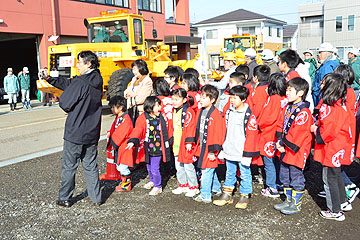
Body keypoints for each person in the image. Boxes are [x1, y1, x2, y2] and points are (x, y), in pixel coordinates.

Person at [45, 50, 103, 207]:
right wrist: (50, 79)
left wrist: (62, 98)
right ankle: (96, 198)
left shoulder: (81, 82)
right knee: (91, 166)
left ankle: (65, 197)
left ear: (88, 64)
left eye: (79, 62)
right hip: (92, 131)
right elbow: (70, 84)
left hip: (76, 131)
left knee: (69, 166)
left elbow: (65, 103)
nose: (77, 65)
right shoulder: (97, 79)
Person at [312, 74, 354, 221]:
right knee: (336, 176)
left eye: (324, 83)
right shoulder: (339, 104)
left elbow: (328, 131)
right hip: (339, 144)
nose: (321, 86)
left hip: (331, 147)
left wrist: (315, 130)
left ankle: (334, 210)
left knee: (329, 179)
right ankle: (342, 202)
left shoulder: (328, 107)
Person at [213, 86, 260, 209]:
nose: (232, 100)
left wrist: (248, 154)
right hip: (229, 149)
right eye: (231, 98)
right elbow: (225, 130)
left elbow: (251, 135)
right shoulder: (229, 112)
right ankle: (227, 194)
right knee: (230, 172)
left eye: (235, 98)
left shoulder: (249, 115)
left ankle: (244, 195)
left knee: (244, 173)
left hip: (242, 151)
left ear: (243, 99)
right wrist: (223, 147)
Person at [274, 77, 313, 215]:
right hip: (284, 147)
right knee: (284, 175)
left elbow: (299, 133)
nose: (287, 93)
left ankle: (296, 204)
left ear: (300, 93)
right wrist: (279, 140)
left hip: (296, 150)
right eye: (287, 90)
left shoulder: (304, 112)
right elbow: (280, 123)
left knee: (296, 176)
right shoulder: (288, 107)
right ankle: (288, 200)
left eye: (290, 90)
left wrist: (283, 144)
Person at [126, 96, 173, 196]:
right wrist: (133, 140)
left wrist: (170, 140)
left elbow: (169, 129)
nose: (159, 107)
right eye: (157, 105)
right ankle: (152, 181)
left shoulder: (162, 117)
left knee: (155, 168)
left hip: (158, 148)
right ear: (150, 107)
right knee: (149, 166)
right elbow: (138, 129)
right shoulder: (143, 117)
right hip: (147, 147)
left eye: (159, 105)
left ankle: (158, 186)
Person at [192, 85, 226, 203]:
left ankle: (205, 195)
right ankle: (216, 188)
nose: (201, 99)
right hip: (202, 146)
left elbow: (218, 134)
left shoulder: (216, 115)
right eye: (201, 97)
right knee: (209, 169)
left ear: (212, 100)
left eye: (204, 97)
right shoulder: (201, 111)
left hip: (209, 148)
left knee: (206, 169)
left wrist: (213, 151)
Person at [258, 73, 287, 198]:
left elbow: (267, 117)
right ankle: (279, 184)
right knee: (277, 160)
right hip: (279, 134)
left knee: (268, 161)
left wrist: (259, 124)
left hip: (268, 133)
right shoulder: (285, 98)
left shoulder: (273, 98)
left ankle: (271, 187)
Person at [170, 88, 199, 197]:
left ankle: (194, 187)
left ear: (184, 100)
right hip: (177, 142)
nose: (174, 102)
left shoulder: (188, 111)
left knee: (188, 165)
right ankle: (183, 184)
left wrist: (189, 142)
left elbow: (191, 127)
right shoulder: (174, 110)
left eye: (176, 99)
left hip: (186, 143)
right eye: (172, 99)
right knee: (179, 166)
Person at [107, 96, 134, 192]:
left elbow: (122, 132)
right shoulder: (119, 117)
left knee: (122, 166)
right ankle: (125, 183)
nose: (111, 109)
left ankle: (127, 184)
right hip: (121, 146)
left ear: (120, 107)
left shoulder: (126, 119)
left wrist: (113, 140)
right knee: (119, 165)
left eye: (113, 107)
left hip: (124, 146)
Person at [312, 42, 339, 107]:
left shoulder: (326, 67)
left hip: (321, 98)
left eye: (321, 53)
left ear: (328, 53)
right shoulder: (333, 64)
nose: (319, 55)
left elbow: (325, 85)